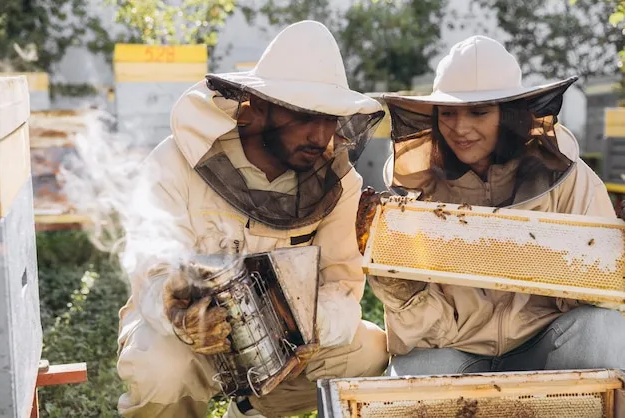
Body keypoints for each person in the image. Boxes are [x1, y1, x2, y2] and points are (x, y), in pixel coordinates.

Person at [116, 20, 389, 418]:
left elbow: (342, 288)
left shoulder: (339, 184)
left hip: (287, 346)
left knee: (368, 351)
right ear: (257, 107)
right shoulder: (174, 162)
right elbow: (150, 268)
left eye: (330, 118)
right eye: (305, 116)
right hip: (192, 338)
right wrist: (178, 312)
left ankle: (251, 412)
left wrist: (305, 329)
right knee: (160, 365)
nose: (319, 134)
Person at [365, 35, 625, 377]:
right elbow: (422, 328)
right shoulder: (418, 190)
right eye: (448, 113)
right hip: (455, 347)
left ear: (509, 114)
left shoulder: (574, 182)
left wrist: (595, 266)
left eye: (478, 112)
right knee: (410, 376)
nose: (460, 128)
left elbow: (600, 296)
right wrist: (405, 294)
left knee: (601, 330)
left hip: (547, 345)